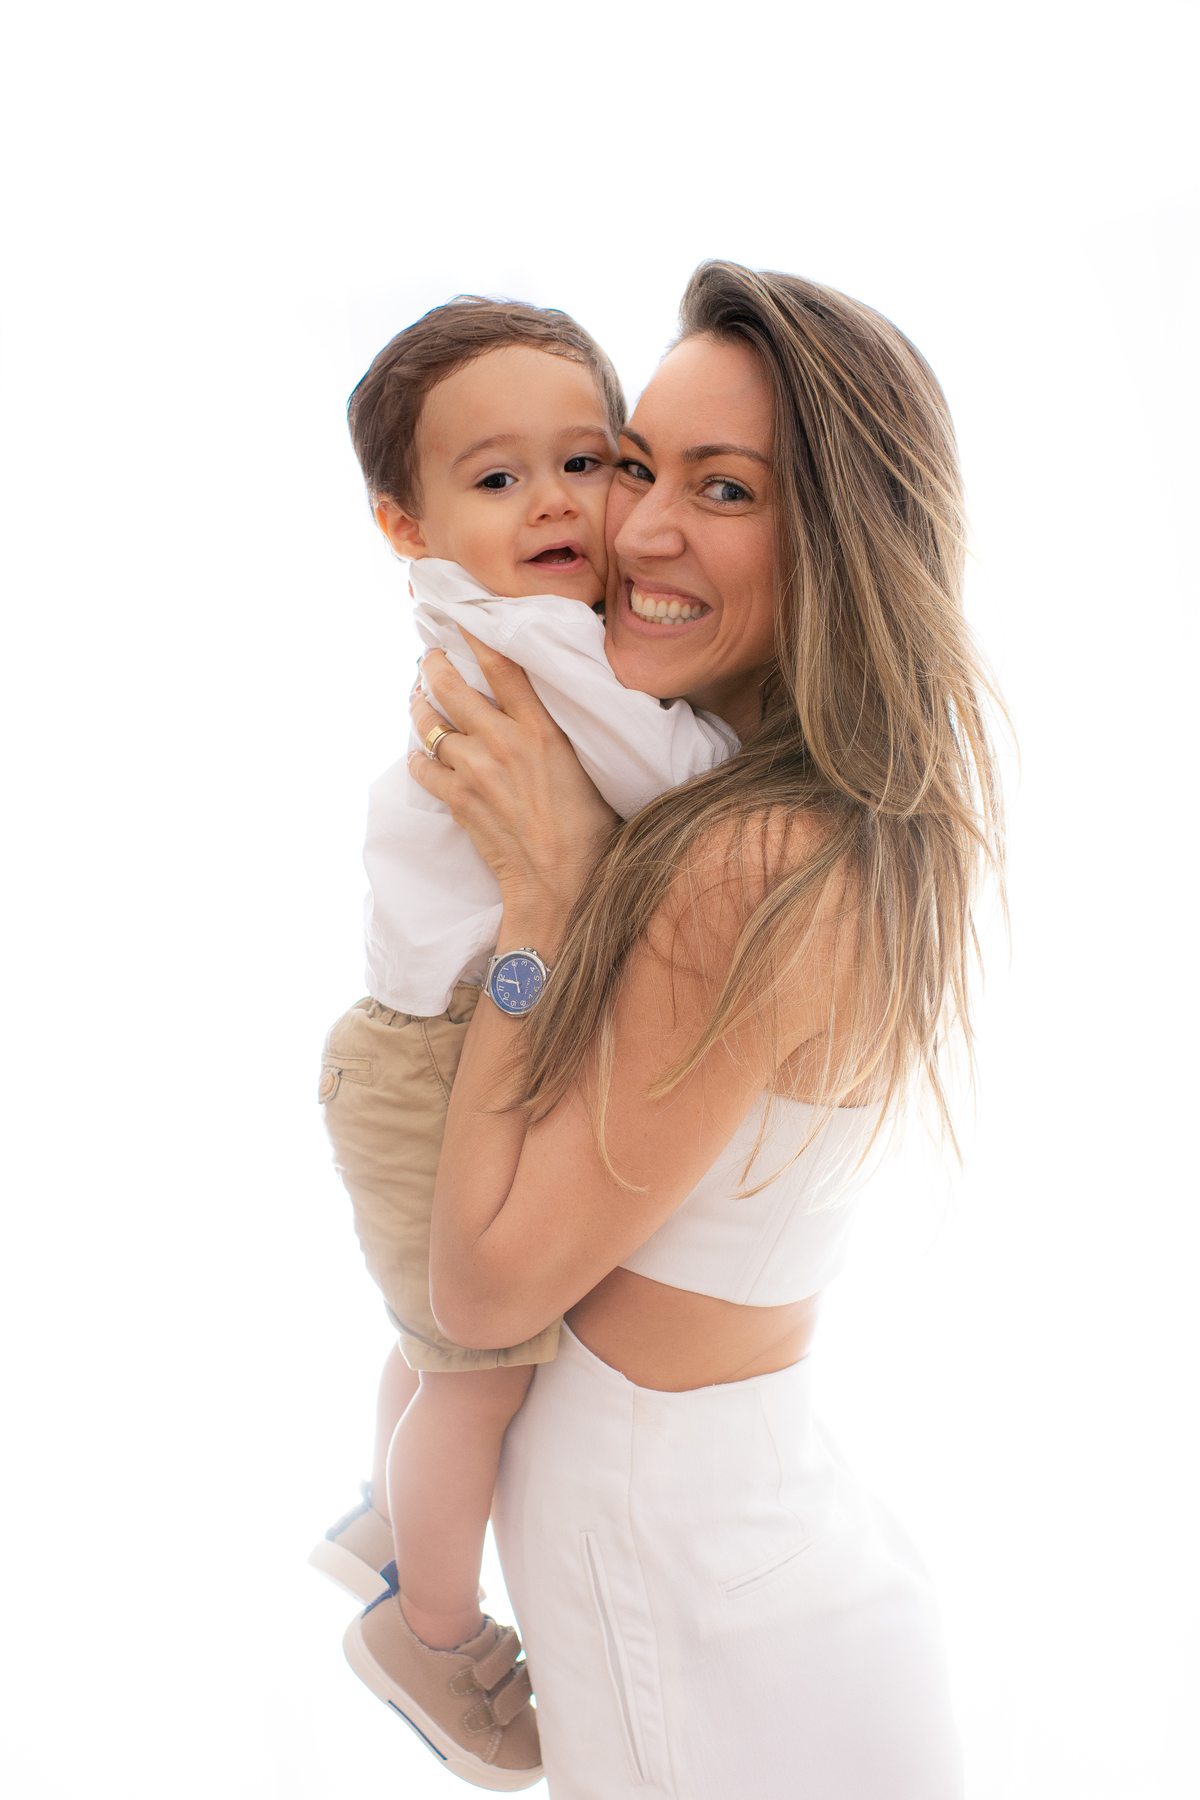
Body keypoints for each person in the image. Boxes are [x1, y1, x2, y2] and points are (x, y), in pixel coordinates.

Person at [396, 260, 1005, 1799]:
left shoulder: (748, 859)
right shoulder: (861, 812)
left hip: (687, 1553)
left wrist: (541, 911)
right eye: (637, 464)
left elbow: (481, 1289)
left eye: (722, 488)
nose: (638, 529)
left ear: (843, 540)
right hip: (766, 1531)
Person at [310, 297, 735, 1790]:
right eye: (497, 481)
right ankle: (425, 1630)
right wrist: (745, 758)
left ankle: (382, 1511)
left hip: (409, 1040)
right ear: (405, 524)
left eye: (588, 460)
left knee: (434, 1348)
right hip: (441, 1058)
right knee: (483, 1369)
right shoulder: (539, 638)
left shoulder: (498, 616)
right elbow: (665, 772)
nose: (557, 502)